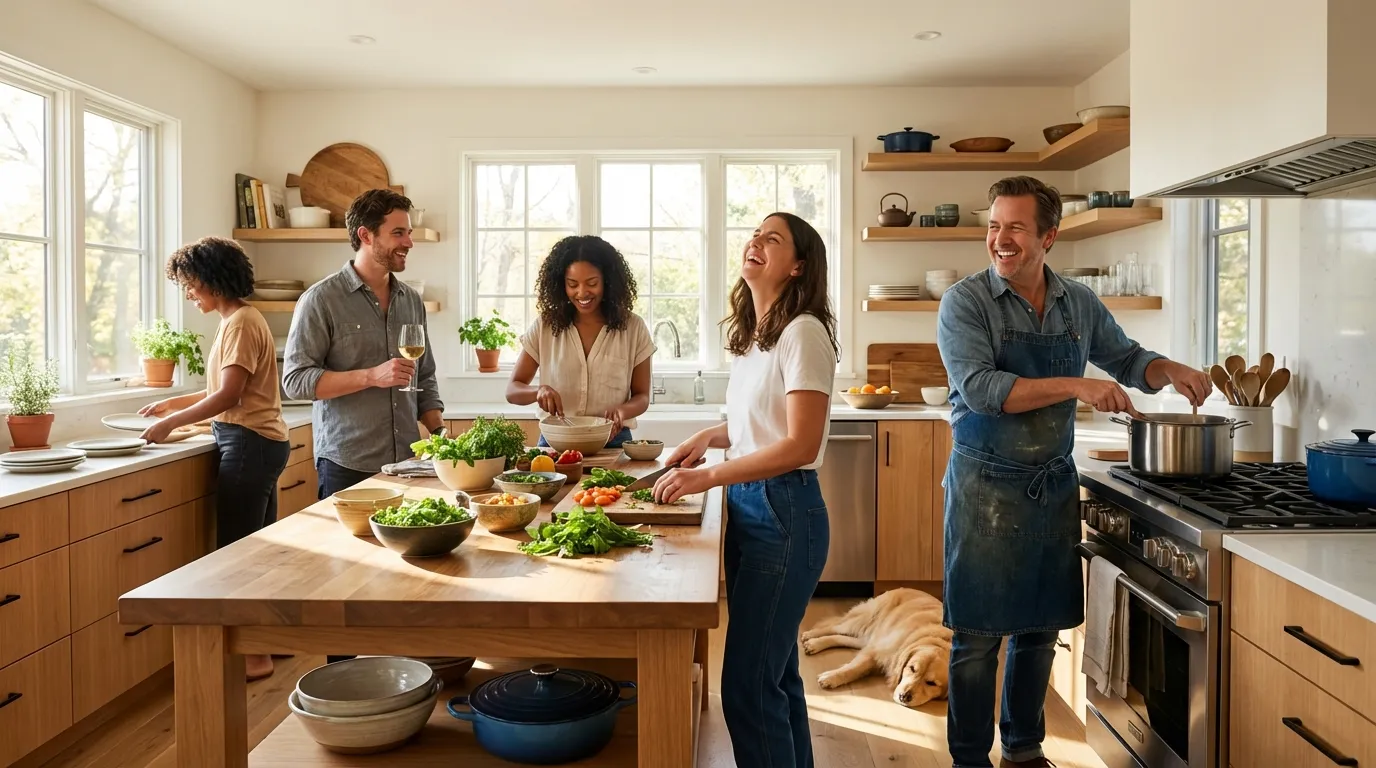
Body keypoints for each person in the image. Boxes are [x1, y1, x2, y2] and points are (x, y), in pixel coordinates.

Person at [935, 176, 1211, 768]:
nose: (999, 240)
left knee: (1039, 630)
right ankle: (966, 758)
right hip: (985, 487)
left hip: (1049, 488)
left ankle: (1024, 749)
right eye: (993, 226)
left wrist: (1171, 368)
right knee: (978, 636)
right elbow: (982, 391)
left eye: (1014, 227)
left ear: (1048, 237)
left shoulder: (1076, 303)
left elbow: (1128, 358)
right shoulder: (965, 302)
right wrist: (1077, 384)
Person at [652, 212, 838, 768]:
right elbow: (760, 424)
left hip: (783, 509)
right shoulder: (762, 336)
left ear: (798, 265)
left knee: (748, 690)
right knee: (775, 678)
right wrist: (708, 436)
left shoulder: (804, 331)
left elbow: (801, 443)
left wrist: (707, 475)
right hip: (758, 507)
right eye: (755, 233)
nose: (755, 241)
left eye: (773, 239)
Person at [138, 235, 290, 682]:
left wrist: (170, 424)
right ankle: (271, 643)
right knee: (258, 551)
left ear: (211, 281)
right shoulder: (240, 319)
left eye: (190, 284)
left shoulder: (240, 322)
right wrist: (172, 405)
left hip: (248, 445)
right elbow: (223, 389)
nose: (188, 293)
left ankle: (254, 657)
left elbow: (230, 394)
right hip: (259, 441)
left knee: (236, 555)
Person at [283, 188, 445, 499]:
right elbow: (295, 381)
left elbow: (423, 375)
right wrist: (372, 376)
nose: (409, 243)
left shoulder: (410, 300)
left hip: (407, 462)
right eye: (398, 233)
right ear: (366, 235)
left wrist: (440, 435)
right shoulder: (321, 300)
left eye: (409, 233)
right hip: (347, 464)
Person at [505, 235, 653, 447]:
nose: (582, 293)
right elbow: (512, 390)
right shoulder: (545, 325)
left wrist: (623, 411)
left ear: (607, 281)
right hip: (555, 441)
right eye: (572, 284)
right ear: (561, 284)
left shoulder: (633, 327)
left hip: (612, 440)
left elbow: (642, 397)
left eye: (592, 283)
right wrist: (538, 392)